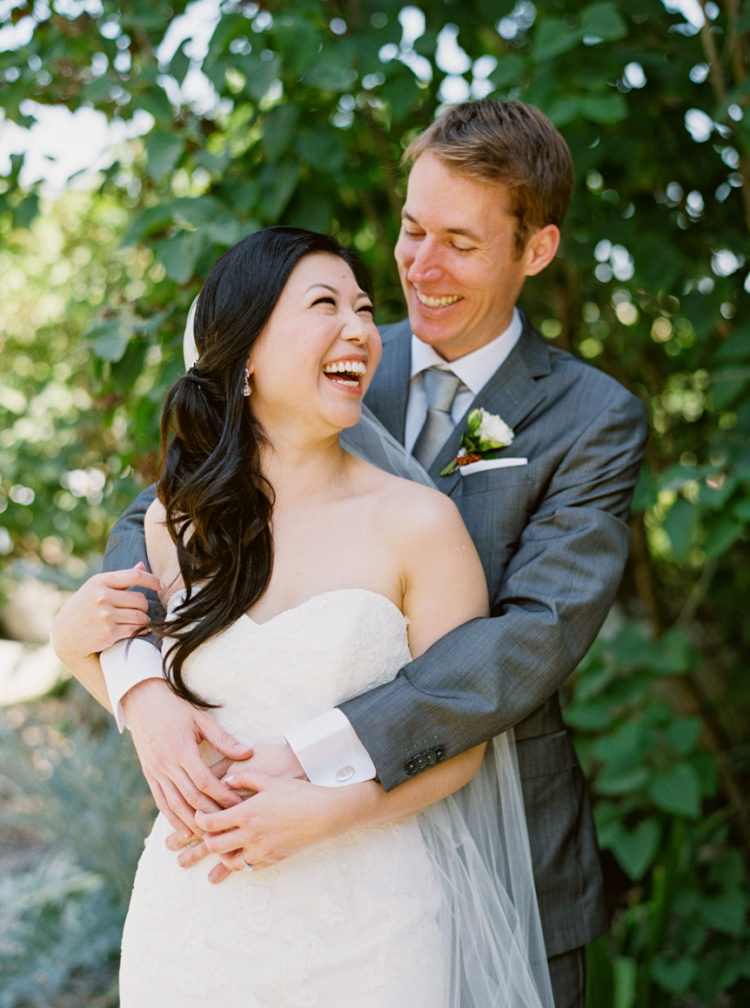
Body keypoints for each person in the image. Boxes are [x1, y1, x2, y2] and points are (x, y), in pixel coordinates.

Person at [54, 99, 648, 1008]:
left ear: (536, 251)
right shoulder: (331, 354)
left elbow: (533, 634)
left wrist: (324, 760)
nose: (421, 267)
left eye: (459, 241)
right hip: (245, 876)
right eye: (412, 231)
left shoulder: (591, 416)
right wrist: (145, 692)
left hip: (501, 837)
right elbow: (164, 518)